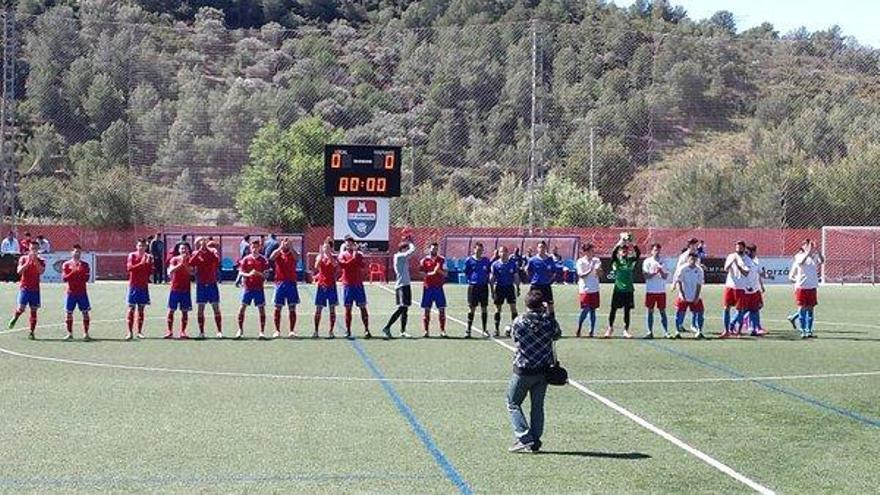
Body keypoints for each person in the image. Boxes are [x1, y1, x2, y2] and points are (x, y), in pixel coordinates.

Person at [506, 289, 561, 454]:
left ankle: (524, 436)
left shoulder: (519, 321)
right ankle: (535, 440)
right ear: (542, 304)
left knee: (513, 403)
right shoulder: (549, 322)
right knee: (537, 406)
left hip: (523, 370)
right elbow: (557, 335)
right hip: (543, 370)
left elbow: (514, 337)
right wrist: (550, 313)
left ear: (526, 304)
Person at [604, 233, 640, 339]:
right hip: (618, 289)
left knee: (627, 310)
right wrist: (620, 241)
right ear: (619, 252)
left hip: (628, 290)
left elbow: (638, 253)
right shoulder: (616, 262)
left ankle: (626, 330)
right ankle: (610, 328)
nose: (624, 251)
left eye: (625, 250)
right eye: (622, 250)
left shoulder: (631, 261)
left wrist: (632, 242)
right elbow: (613, 254)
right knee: (613, 309)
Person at [7, 242, 45, 339]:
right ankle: (15, 317)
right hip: (25, 288)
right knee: (21, 308)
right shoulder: (23, 258)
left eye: (36, 248)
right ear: (29, 248)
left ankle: (32, 332)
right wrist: (27, 263)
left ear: (38, 249)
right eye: (33, 248)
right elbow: (19, 271)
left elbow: (41, 271)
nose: (34, 250)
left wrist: (35, 261)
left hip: (35, 289)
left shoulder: (41, 260)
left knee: (34, 310)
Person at [787, 239, 824, 339]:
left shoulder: (814, 256)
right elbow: (801, 262)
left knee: (811, 310)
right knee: (802, 309)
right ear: (803, 246)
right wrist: (808, 252)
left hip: (812, 286)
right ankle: (803, 330)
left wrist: (818, 250)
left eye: (810, 245)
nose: (809, 247)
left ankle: (809, 330)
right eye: (807, 245)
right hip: (802, 286)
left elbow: (822, 261)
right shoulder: (799, 256)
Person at [382, 235, 416, 339]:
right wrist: (410, 242)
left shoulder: (403, 257)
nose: (407, 250)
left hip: (406, 285)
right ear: (402, 249)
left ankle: (403, 331)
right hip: (401, 286)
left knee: (405, 309)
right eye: (405, 248)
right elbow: (412, 251)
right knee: (401, 308)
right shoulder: (399, 256)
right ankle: (387, 327)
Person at [190, 237, 223, 339]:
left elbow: (217, 260)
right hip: (201, 285)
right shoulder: (196, 253)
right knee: (200, 309)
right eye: (200, 242)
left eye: (204, 242)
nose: (202, 244)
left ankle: (219, 331)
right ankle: (201, 332)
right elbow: (191, 263)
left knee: (216, 308)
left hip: (212, 283)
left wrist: (208, 250)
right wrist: (199, 252)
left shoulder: (212, 251)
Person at [338, 235, 370, 338]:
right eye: (347, 243)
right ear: (345, 244)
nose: (349, 245)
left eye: (351, 243)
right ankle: (348, 330)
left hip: (358, 284)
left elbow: (362, 265)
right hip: (348, 284)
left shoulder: (359, 255)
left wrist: (357, 255)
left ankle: (366, 329)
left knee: (362, 307)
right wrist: (354, 256)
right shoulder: (342, 255)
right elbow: (345, 265)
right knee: (348, 308)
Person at [237, 238, 269, 339]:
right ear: (250, 248)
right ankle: (240, 330)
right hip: (248, 288)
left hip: (259, 288)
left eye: (256, 247)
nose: (254, 249)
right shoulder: (246, 259)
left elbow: (266, 275)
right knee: (242, 308)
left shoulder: (263, 260)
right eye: (253, 247)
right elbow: (241, 272)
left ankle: (262, 332)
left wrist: (258, 273)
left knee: (261, 309)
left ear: (260, 247)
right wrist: (248, 274)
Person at [269, 237, 300, 338]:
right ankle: (277, 331)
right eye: (284, 242)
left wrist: (291, 247)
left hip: (291, 283)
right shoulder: (278, 253)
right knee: (278, 307)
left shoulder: (293, 252)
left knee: (292, 307)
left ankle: (292, 331)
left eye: (288, 242)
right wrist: (280, 247)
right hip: (279, 283)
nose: (286, 244)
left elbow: (297, 258)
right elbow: (271, 258)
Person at [720, 241, 750, 338]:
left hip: (740, 287)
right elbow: (725, 269)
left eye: (740, 248)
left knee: (740, 310)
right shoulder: (731, 256)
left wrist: (738, 265)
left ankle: (739, 332)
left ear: (744, 248)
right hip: (730, 285)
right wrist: (732, 262)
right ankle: (726, 331)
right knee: (726, 308)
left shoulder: (747, 259)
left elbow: (746, 273)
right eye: (737, 247)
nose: (738, 249)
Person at [61, 244, 91, 341]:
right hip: (71, 293)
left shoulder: (85, 265)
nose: (77, 253)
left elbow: (87, 278)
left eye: (79, 252)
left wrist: (80, 272)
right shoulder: (66, 264)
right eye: (75, 251)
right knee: (69, 313)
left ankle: (86, 333)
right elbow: (64, 279)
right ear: (71, 253)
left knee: (85, 313)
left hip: (82, 292)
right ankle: (70, 333)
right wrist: (73, 272)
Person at [673, 253, 705, 339]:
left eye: (694, 259)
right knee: (679, 313)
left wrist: (696, 297)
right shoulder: (682, 268)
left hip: (694, 295)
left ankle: (699, 331)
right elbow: (679, 281)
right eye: (691, 259)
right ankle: (677, 331)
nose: (693, 261)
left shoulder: (699, 270)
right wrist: (682, 295)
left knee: (700, 312)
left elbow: (699, 284)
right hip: (683, 296)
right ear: (688, 259)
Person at [125, 239, 153, 340]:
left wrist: (149, 265)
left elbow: (150, 271)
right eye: (140, 245)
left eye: (143, 246)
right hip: (133, 286)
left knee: (141, 310)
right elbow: (129, 268)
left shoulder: (149, 257)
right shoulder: (132, 255)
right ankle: (129, 332)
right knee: (131, 309)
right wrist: (141, 264)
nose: (141, 247)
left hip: (143, 286)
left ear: (146, 247)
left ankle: (140, 332)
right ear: (137, 246)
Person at [737, 244, 766, 337]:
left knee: (756, 308)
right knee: (744, 309)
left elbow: (759, 275)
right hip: (746, 289)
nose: (755, 253)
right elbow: (744, 275)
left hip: (755, 289)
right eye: (754, 251)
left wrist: (761, 285)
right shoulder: (745, 261)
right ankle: (733, 324)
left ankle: (755, 328)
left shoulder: (755, 261)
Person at [420, 242, 448, 338]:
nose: (434, 250)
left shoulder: (442, 260)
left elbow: (446, 274)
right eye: (432, 249)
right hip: (428, 288)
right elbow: (422, 274)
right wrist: (432, 273)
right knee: (427, 309)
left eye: (436, 249)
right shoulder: (424, 260)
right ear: (429, 249)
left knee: (441, 309)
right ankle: (426, 331)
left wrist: (438, 271)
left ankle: (442, 330)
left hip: (438, 288)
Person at [642, 243, 670, 339]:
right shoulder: (647, 261)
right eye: (655, 250)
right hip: (650, 290)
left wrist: (661, 271)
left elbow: (665, 276)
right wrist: (655, 272)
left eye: (658, 250)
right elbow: (646, 276)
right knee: (650, 311)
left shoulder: (663, 261)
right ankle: (650, 331)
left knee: (662, 311)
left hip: (661, 291)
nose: (657, 252)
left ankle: (666, 332)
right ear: (651, 251)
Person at [464, 242, 492, 338]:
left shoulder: (486, 261)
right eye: (478, 250)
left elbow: (488, 272)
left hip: (483, 287)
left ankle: (484, 329)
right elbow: (467, 272)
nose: (479, 251)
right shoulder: (469, 260)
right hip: (473, 287)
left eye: (481, 250)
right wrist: (471, 280)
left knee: (484, 308)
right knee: (472, 308)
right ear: (474, 249)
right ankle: (468, 330)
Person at [490, 245, 519, 338]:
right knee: (498, 309)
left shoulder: (512, 264)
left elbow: (516, 276)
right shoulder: (495, 264)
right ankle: (496, 329)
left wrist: (517, 288)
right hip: (499, 288)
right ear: (498, 253)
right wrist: (492, 290)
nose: (503, 254)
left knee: (513, 308)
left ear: (507, 253)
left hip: (509, 287)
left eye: (504, 252)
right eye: (501, 252)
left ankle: (515, 329)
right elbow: (492, 278)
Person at [166, 243, 193, 339]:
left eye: (185, 248)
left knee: (184, 311)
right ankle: (169, 331)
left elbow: (191, 272)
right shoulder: (174, 259)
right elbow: (170, 271)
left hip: (185, 289)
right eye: (182, 248)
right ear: (179, 250)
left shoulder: (190, 259)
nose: (183, 250)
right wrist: (181, 264)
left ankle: (183, 332)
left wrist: (185, 264)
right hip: (175, 288)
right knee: (171, 310)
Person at [313, 238, 339, 338]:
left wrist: (328, 254)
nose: (325, 249)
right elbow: (316, 266)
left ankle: (331, 331)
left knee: (332, 309)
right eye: (324, 247)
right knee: (318, 309)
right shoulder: (320, 257)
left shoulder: (333, 257)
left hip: (331, 286)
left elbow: (334, 265)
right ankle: (316, 331)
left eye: (327, 247)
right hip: (321, 286)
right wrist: (321, 255)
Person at [575, 243, 602, 338]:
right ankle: (579, 327)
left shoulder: (596, 260)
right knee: (585, 309)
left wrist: (599, 271)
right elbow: (581, 275)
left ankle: (592, 330)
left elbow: (600, 274)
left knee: (593, 310)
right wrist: (590, 269)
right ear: (585, 252)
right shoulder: (580, 261)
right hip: (585, 289)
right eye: (590, 251)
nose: (592, 252)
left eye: (593, 250)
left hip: (594, 288)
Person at [526, 241, 559, 316]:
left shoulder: (550, 259)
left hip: (546, 286)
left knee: (550, 305)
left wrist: (550, 280)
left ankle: (552, 322)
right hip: (536, 286)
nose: (542, 249)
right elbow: (527, 270)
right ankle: (530, 321)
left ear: (546, 248)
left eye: (543, 247)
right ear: (537, 248)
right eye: (540, 247)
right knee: (532, 305)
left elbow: (554, 271)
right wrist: (532, 279)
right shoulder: (532, 260)